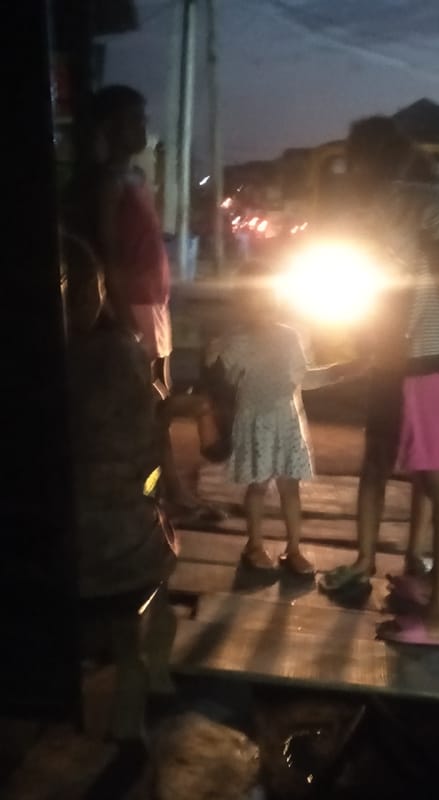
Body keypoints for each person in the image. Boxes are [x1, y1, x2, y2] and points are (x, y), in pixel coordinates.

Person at [323, 117, 439, 648]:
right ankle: (426, 586)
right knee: (433, 477)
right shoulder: (390, 202)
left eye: (356, 160)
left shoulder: (406, 200)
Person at [69, 84, 219, 523]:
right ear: (108, 128)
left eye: (141, 117)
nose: (141, 126)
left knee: (159, 402)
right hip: (133, 307)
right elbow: (110, 254)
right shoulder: (107, 183)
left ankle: (166, 492)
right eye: (133, 119)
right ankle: (167, 493)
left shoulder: (132, 176)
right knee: (153, 406)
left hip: (152, 304)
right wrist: (122, 320)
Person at [64, 230, 177, 741]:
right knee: (154, 577)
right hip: (117, 540)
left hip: (55, 536)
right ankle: (141, 699)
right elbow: (147, 449)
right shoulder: (119, 355)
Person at [207, 262, 363, 575]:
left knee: (290, 488)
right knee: (258, 486)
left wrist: (339, 372)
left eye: (268, 298)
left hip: (287, 422)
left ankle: (294, 549)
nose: (262, 305)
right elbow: (220, 381)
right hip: (255, 422)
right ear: (242, 303)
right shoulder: (234, 343)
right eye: (253, 299)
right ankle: (254, 545)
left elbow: (303, 378)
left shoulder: (291, 336)